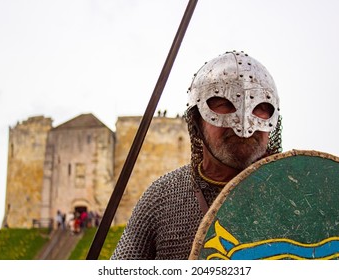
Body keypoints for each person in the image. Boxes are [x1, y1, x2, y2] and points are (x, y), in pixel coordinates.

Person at [111, 50, 283, 260]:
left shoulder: (298, 195)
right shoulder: (162, 198)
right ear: (196, 122)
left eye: (260, 107)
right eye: (225, 104)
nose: (244, 124)